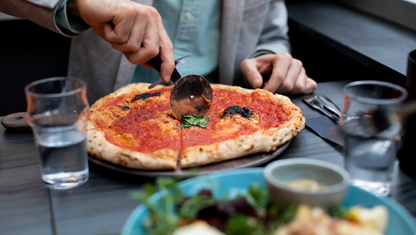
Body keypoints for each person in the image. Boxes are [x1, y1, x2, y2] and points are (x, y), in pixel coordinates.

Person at [0, 0, 317, 103]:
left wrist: (270, 57)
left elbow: (271, 33)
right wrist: (78, 2)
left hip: (223, 111)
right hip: (109, 107)